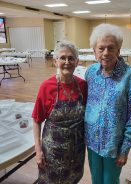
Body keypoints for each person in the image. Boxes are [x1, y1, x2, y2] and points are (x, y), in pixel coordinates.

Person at [84, 23, 131, 184]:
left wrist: (125, 150)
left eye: (111, 48)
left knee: (110, 181)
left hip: (114, 145)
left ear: (119, 50)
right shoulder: (90, 73)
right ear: (94, 51)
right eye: (101, 48)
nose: (106, 53)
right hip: (92, 140)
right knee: (96, 180)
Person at [32, 40, 87, 184]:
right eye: (62, 58)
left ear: (77, 62)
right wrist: (38, 151)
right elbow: (36, 121)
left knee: (73, 179)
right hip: (52, 153)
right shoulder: (46, 86)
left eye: (71, 58)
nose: (67, 62)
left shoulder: (83, 85)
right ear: (55, 61)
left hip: (77, 151)